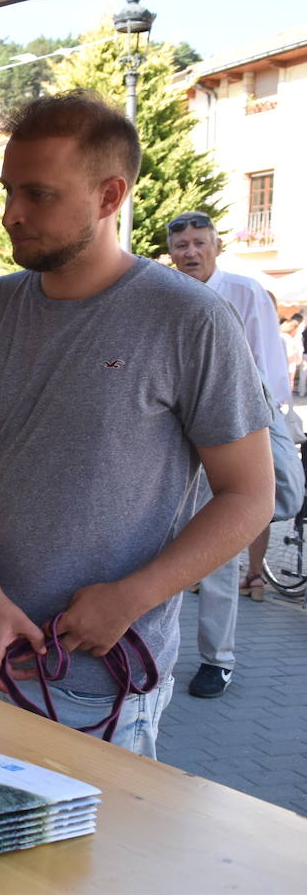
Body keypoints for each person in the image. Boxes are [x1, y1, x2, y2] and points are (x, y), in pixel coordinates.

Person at [0, 92, 272, 758]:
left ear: (111, 196)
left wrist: (132, 599)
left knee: (80, 865)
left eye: (38, 194)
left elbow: (250, 496)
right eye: (8, 191)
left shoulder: (190, 319)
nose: (11, 214)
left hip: (97, 676)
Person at [167, 209, 291, 697]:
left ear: (215, 245)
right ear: (171, 251)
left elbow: (270, 371)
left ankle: (217, 660)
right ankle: (150, 651)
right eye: (182, 245)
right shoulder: (163, 293)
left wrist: (257, 439)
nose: (191, 252)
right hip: (170, 442)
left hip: (227, 440)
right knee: (158, 548)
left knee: (217, 556)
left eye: (200, 242)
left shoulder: (244, 292)